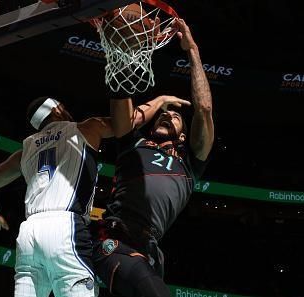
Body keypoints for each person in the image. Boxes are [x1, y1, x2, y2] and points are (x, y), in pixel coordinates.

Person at [92, 18, 214, 297]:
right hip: (114, 237)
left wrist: (192, 49)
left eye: (175, 116)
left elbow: (204, 107)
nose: (167, 114)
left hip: (149, 250)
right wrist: (125, 48)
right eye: (163, 113)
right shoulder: (132, 144)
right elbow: (121, 99)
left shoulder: (190, 163)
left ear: (183, 136)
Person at [0, 96, 113, 297]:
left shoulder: (25, 150)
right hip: (65, 226)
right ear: (57, 110)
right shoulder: (85, 128)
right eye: (63, 107)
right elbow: (125, 122)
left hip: (29, 232)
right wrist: (158, 102)